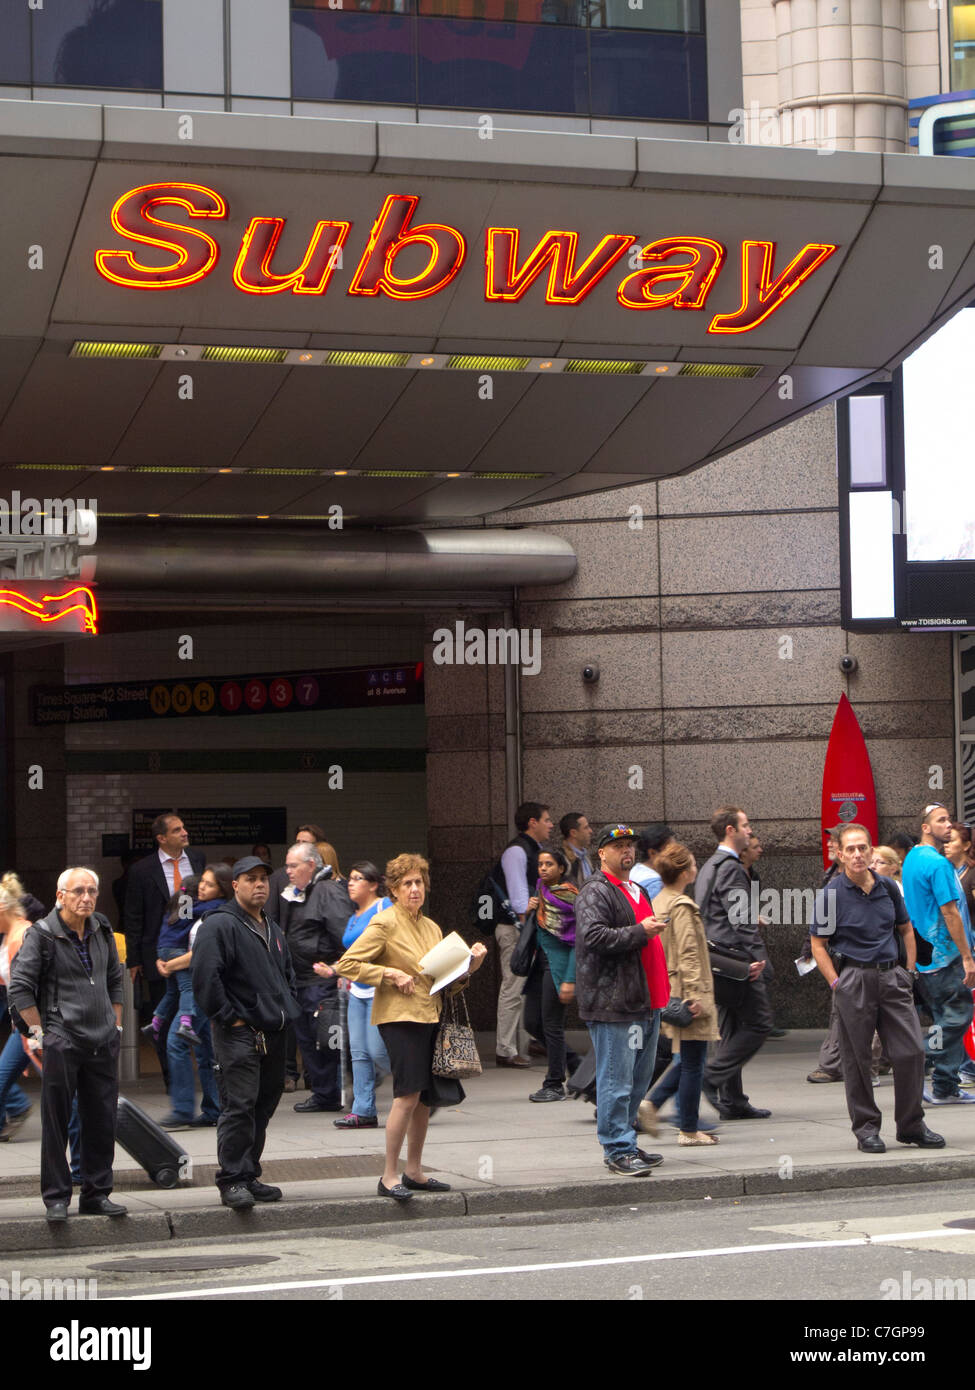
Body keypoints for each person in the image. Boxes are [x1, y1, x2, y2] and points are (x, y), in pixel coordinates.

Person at [328, 853, 487, 1202]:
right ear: (394, 890)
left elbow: (442, 981)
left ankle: (414, 1171)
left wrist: (471, 967)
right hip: (398, 1017)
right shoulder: (385, 922)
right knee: (407, 1095)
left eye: (419, 883)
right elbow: (348, 964)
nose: (415, 889)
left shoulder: (431, 927)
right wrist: (387, 973)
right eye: (407, 884)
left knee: (425, 1100)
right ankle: (389, 1175)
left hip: (429, 1013)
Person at [809, 824, 944, 1153]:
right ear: (840, 854)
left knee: (912, 1051)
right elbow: (818, 945)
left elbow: (906, 929)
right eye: (850, 849)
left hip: (892, 978)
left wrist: (908, 972)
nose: (857, 854)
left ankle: (911, 1125)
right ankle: (867, 1129)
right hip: (854, 980)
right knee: (857, 1060)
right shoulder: (830, 894)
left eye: (863, 848)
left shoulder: (887, 887)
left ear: (871, 851)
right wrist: (836, 984)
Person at [8, 867, 126, 1223]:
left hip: (103, 1040)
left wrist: (116, 1025)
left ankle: (96, 1194)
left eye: (92, 891)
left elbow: (115, 980)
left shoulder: (102, 927)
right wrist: (41, 1036)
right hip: (63, 1039)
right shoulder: (42, 935)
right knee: (58, 1121)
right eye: (78, 891)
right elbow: (20, 988)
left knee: (102, 1120)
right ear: (60, 896)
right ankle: (57, 1198)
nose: (86, 898)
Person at [191, 856, 301, 1210]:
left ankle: (250, 1173)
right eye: (250, 879)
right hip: (239, 1033)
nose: (259, 885)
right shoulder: (219, 924)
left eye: (264, 879)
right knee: (239, 1106)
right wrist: (230, 1018)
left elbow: (288, 975)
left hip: (275, 1031)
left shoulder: (272, 926)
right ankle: (232, 1179)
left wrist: (289, 1005)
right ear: (234, 884)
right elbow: (205, 978)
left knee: (263, 1106)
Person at [575, 824, 668, 1176]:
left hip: (644, 999)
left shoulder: (637, 888)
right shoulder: (596, 891)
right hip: (615, 1003)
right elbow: (593, 936)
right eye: (618, 846)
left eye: (630, 846)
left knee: (638, 1079)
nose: (626, 851)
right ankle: (616, 1148)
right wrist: (640, 931)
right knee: (617, 1079)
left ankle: (626, 1140)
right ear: (602, 854)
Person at [695, 806, 773, 1120]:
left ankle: (733, 1100)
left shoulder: (711, 865)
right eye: (745, 825)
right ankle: (711, 1077)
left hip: (716, 959)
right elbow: (741, 920)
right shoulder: (730, 867)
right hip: (734, 961)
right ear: (730, 830)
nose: (749, 831)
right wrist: (760, 959)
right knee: (759, 1022)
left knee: (733, 1026)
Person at [640, 842, 720, 1145]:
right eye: (693, 865)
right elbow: (689, 954)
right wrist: (696, 997)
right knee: (694, 1062)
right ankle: (688, 1128)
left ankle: (653, 1102)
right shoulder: (682, 906)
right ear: (685, 872)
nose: (696, 869)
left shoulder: (657, 902)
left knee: (687, 1059)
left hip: (668, 990)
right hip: (688, 993)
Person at [902, 802, 975, 1105]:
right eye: (941, 820)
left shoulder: (912, 859)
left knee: (947, 1015)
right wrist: (968, 957)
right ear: (925, 827)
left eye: (949, 820)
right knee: (957, 1016)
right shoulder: (938, 864)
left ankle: (945, 1085)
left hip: (926, 955)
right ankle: (919, 1057)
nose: (948, 825)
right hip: (945, 956)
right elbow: (950, 912)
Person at [154, 864, 231, 1129]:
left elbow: (202, 953)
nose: (202, 887)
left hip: (202, 986)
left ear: (222, 888)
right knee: (205, 1050)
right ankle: (214, 1109)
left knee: (177, 1042)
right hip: (201, 985)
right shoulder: (202, 908)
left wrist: (169, 965)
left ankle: (183, 1110)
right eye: (203, 883)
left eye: (209, 884)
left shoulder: (216, 912)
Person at [279, 842, 352, 1114]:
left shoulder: (326, 891)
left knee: (324, 1040)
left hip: (320, 980)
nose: (287, 871)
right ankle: (324, 1094)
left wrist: (338, 970)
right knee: (310, 1041)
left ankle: (329, 1093)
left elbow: (343, 934)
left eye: (293, 866)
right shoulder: (303, 892)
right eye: (287, 865)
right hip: (304, 980)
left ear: (311, 865)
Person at [325, 861, 391, 1129]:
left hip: (379, 988)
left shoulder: (384, 907)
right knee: (359, 1053)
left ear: (373, 884)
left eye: (358, 878)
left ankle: (419, 1090)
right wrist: (339, 972)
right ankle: (364, 1110)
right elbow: (354, 954)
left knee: (377, 1050)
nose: (350, 883)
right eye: (350, 878)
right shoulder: (354, 915)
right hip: (356, 990)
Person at [123, 813, 205, 1002]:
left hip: (193, 945)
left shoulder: (197, 859)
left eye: (183, 828)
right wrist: (134, 959)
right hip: (159, 949)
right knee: (164, 1008)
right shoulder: (142, 870)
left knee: (195, 1007)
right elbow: (133, 916)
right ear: (162, 838)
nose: (185, 833)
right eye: (177, 830)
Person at [495, 801, 553, 1068]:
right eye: (547, 820)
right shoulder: (517, 851)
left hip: (527, 927)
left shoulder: (531, 850)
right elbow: (519, 897)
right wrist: (526, 927)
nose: (551, 825)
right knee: (513, 987)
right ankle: (505, 1049)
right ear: (532, 822)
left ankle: (523, 1044)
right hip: (518, 928)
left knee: (522, 988)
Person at [526, 848, 580, 1103]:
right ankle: (574, 1063)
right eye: (540, 864)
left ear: (561, 868)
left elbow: (576, 941)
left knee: (551, 1026)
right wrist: (529, 909)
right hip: (539, 965)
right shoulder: (540, 891)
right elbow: (538, 929)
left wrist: (570, 978)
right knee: (531, 1023)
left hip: (558, 967)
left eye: (549, 864)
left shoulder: (570, 897)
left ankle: (555, 1083)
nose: (543, 868)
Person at [806, 825, 848, 1083]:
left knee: (842, 1009)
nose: (830, 845)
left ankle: (831, 1064)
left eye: (835, 841)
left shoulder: (867, 880)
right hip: (836, 955)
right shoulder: (830, 876)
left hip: (854, 955)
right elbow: (819, 923)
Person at [0, 875, 34, 1141]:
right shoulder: (9, 936)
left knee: (64, 1086)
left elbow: (31, 988)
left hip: (33, 1024)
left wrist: (34, 1032)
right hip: (23, 1023)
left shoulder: (22, 935)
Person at [630, 823, 675, 899]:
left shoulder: (635, 871)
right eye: (670, 850)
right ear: (652, 853)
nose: (675, 854)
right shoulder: (655, 886)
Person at [559, 812, 594, 888]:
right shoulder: (561, 858)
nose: (590, 831)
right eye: (586, 828)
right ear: (573, 833)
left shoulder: (585, 856)